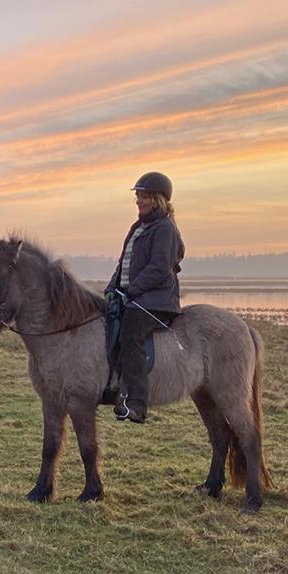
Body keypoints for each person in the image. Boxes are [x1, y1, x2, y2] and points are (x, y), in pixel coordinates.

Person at [104, 172, 184, 424]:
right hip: (135, 297)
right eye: (137, 196)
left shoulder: (165, 229)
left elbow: (159, 268)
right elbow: (123, 264)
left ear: (157, 199)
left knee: (131, 331)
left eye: (143, 196)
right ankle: (113, 385)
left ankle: (137, 402)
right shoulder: (138, 227)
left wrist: (131, 290)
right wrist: (111, 288)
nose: (138, 200)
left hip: (156, 301)